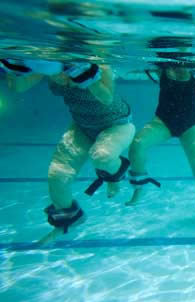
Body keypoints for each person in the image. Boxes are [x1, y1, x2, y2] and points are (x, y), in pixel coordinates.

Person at [1, 58, 134, 244]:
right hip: (81, 126)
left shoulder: (96, 61)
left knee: (102, 156)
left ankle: (114, 177)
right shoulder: (48, 62)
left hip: (116, 124)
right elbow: (19, 87)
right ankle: (69, 221)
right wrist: (15, 68)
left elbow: (106, 97)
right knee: (57, 176)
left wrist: (83, 73)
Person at [126, 49, 195, 226]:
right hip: (163, 122)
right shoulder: (163, 67)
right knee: (137, 144)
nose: (181, 68)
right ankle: (139, 186)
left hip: (189, 127)